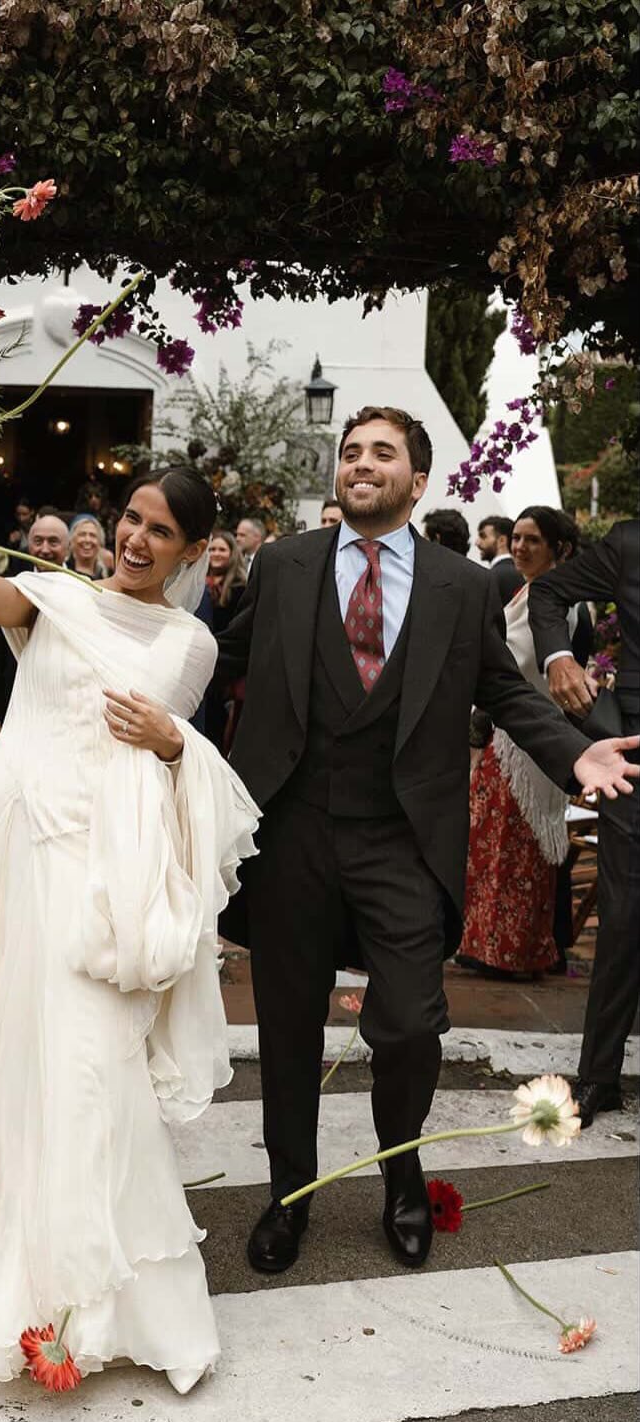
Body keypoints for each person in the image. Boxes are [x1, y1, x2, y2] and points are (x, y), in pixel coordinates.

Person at [215, 405, 638, 1279]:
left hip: (402, 839)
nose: (359, 463)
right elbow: (215, 661)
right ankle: (287, 1194)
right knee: (287, 1031)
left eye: (381, 452)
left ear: (415, 479)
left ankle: (400, 1176)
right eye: (350, 451)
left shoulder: (460, 584)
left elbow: (504, 690)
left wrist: (573, 748)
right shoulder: (287, 565)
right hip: (290, 834)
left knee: (408, 1024)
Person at [0, 463, 258, 1393]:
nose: (135, 539)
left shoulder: (187, 644)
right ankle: (5, 1270)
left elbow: (184, 754)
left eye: (160, 531)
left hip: (100, 883)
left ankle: (107, 1297)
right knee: (4, 1055)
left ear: (192, 551)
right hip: (11, 858)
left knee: (90, 1067)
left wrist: (173, 745)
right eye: (131, 518)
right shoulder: (50, 598)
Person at [530, 518, 640, 1127]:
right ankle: (599, 1076)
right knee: (624, 918)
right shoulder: (628, 543)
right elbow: (548, 593)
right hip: (634, 760)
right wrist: (560, 658)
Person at [457, 508, 591, 979]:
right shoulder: (530, 592)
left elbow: (516, 664)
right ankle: (493, 946)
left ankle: (512, 951)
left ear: (560, 548)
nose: (519, 548)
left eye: (532, 540)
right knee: (496, 846)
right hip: (509, 738)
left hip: (527, 740)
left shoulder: (558, 601)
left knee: (517, 850)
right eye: (516, 538)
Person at [0, 513, 70, 749]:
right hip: (18, 706)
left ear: (68, 547)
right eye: (38, 542)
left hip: (70, 711)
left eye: (53, 542)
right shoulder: (14, 588)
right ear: (28, 545)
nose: (45, 549)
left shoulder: (87, 586)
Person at [204, 531, 247, 751]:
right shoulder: (198, 585)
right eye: (212, 549)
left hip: (224, 670)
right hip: (200, 663)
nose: (216, 554)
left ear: (232, 554)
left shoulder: (240, 589)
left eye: (222, 549)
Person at [477, 514, 525, 607]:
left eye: (483, 536)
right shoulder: (526, 573)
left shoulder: (490, 577)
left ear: (502, 540)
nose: (477, 543)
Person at [67, 513, 111, 580]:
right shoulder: (62, 571)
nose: (87, 540)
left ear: (100, 542)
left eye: (93, 535)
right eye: (82, 535)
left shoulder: (106, 575)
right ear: (72, 540)